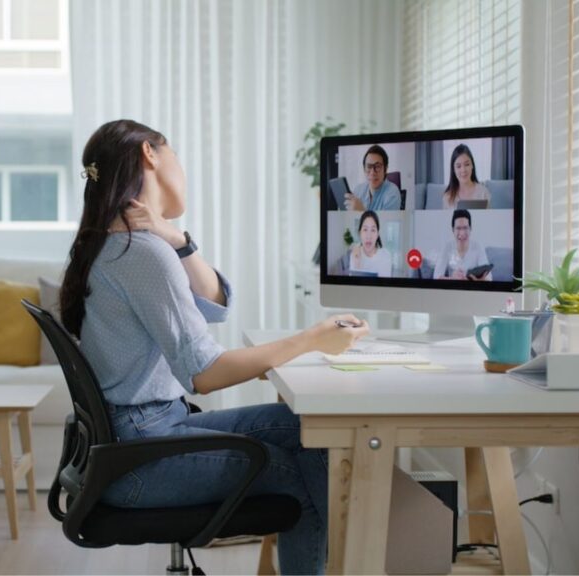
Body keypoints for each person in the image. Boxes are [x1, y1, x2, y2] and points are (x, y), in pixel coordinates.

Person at [59, 119, 369, 575]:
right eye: (176, 153)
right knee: (297, 472)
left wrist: (178, 239)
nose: (182, 166)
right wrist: (311, 339)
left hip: (133, 442)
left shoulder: (122, 242)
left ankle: (356, 561)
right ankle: (363, 560)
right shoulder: (140, 253)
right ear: (151, 154)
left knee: (304, 426)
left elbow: (216, 304)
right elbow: (204, 375)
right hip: (141, 456)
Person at [433, 208, 492, 281]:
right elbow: (436, 276)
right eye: (458, 228)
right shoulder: (447, 247)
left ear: (470, 229)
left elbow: (489, 278)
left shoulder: (478, 246)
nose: (462, 233)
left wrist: (477, 281)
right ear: (453, 230)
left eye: (465, 228)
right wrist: (452, 278)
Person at [345, 144, 402, 211]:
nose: (372, 173)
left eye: (377, 166)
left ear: (385, 169)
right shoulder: (358, 190)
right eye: (369, 167)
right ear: (364, 169)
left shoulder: (393, 194)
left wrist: (361, 211)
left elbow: (386, 221)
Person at [441, 143, 491, 209]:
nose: (463, 170)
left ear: (472, 165)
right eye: (458, 166)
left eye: (467, 164)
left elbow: (488, 218)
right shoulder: (447, 197)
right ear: (453, 170)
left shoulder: (483, 192)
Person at [349, 211, 392, 277]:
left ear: (377, 234)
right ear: (360, 233)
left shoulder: (386, 256)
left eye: (373, 230)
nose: (368, 236)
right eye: (365, 229)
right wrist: (357, 264)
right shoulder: (354, 255)